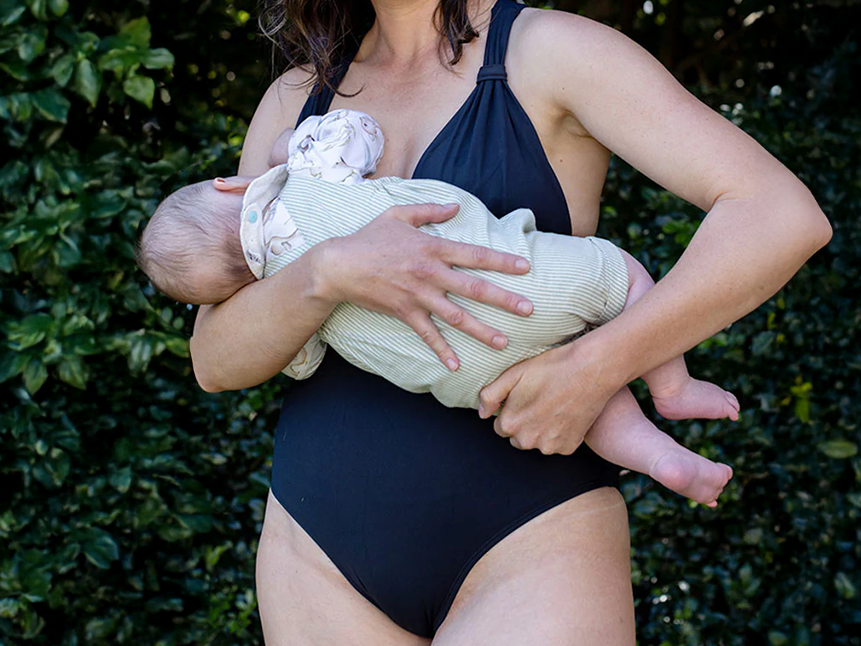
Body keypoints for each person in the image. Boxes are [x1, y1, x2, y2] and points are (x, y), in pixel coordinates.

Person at [188, 0, 832, 646]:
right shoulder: (292, 105)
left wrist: (596, 367)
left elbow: (780, 213)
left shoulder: (553, 55)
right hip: (318, 544)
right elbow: (216, 358)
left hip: (530, 533)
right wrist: (328, 271)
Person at [137, 108, 739, 505]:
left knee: (589, 402)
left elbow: (294, 357)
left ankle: (662, 460)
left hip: (470, 376)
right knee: (621, 275)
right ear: (229, 186)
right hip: (521, 286)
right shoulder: (300, 174)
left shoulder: (279, 297)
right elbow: (357, 134)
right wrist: (284, 150)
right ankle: (673, 387)